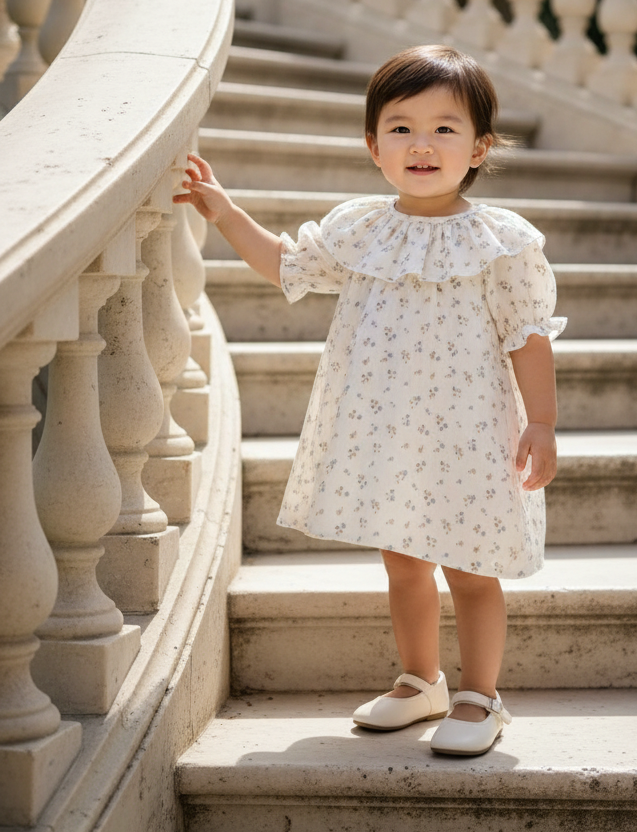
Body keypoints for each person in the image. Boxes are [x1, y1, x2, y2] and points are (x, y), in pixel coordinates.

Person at [174, 44, 565, 757]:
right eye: (401, 127)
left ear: (478, 147)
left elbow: (527, 336)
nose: (422, 143)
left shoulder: (499, 240)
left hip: (472, 432)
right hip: (387, 428)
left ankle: (481, 695)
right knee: (402, 560)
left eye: (445, 128)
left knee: (472, 569)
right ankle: (422, 681)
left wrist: (541, 422)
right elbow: (287, 265)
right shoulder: (360, 228)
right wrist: (226, 212)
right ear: (373, 146)